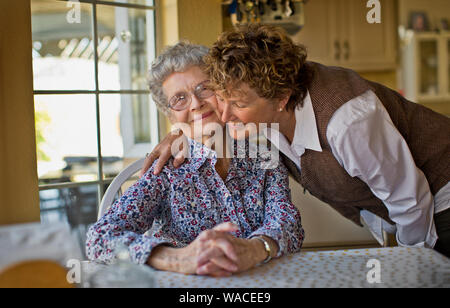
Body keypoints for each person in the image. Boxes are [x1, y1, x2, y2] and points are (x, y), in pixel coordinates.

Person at [142, 24, 450, 258]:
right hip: (396, 217)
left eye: (235, 103)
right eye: (222, 97)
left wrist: (414, 264)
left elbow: (410, 201)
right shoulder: (254, 107)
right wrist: (178, 133)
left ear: (281, 99)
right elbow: (207, 116)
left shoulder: (349, 121)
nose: (223, 111)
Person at [86, 41, 304, 277]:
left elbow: (288, 224)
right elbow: (100, 238)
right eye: (179, 98)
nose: (196, 103)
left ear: (223, 91)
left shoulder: (264, 157)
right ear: (170, 114)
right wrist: (178, 258)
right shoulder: (165, 170)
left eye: (204, 88)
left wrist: (254, 249)